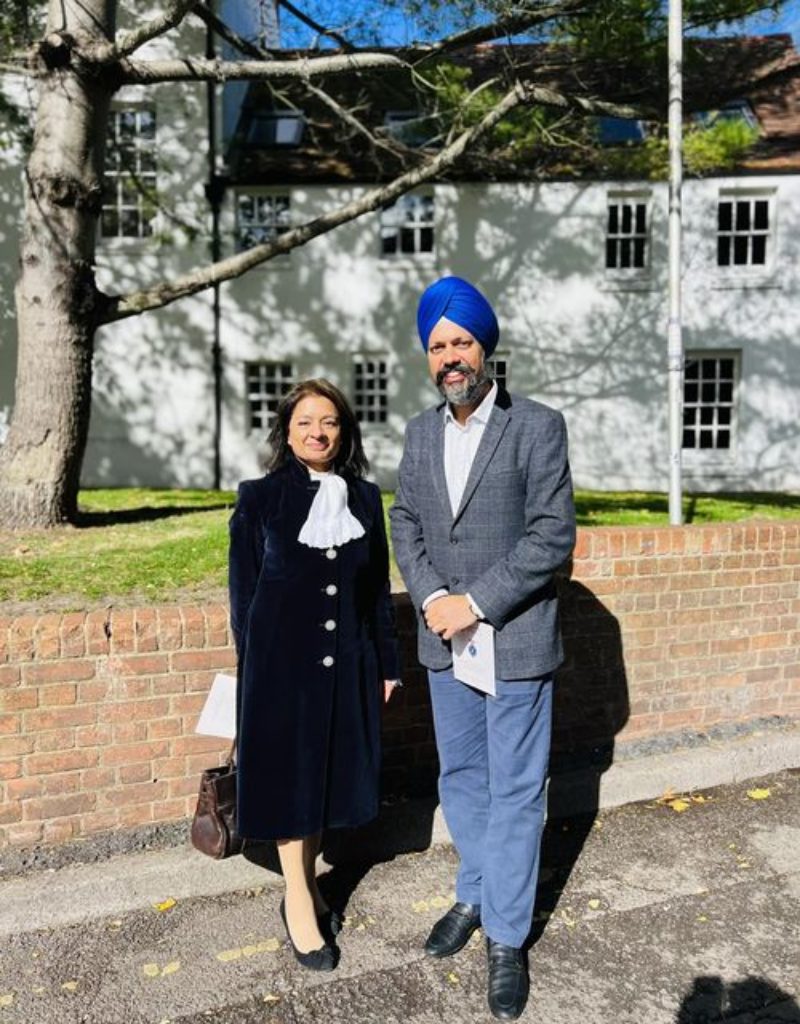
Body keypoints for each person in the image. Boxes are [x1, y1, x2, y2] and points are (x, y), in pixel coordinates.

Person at [389, 277, 575, 1020]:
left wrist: (478, 601)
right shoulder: (417, 433)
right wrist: (435, 598)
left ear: (486, 346)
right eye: (437, 346)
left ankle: (505, 934)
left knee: (518, 790)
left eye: (461, 341)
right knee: (462, 777)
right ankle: (473, 892)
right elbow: (406, 521)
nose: (450, 357)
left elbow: (552, 535)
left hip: (515, 638)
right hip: (446, 643)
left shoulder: (536, 425)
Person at [228, 378, 400, 973]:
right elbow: (243, 596)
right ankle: (297, 897)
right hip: (281, 669)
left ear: (344, 431)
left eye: (328, 422)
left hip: (349, 662)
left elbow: (375, 588)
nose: (317, 432)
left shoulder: (364, 497)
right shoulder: (259, 498)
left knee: (325, 781)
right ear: (286, 430)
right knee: (290, 784)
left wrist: (388, 664)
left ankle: (307, 880)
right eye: (305, 422)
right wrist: (252, 674)